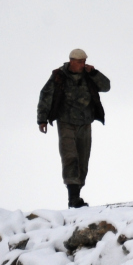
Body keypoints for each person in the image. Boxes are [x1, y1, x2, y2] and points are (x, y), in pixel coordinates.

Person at [37, 48, 110, 208]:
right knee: (70, 157)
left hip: (85, 123)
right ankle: (73, 198)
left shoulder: (89, 75)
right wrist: (42, 119)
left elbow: (106, 86)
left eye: (84, 61)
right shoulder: (59, 76)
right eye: (80, 62)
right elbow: (46, 95)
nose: (83, 64)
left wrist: (94, 73)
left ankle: (77, 192)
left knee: (83, 160)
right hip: (66, 122)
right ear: (72, 61)